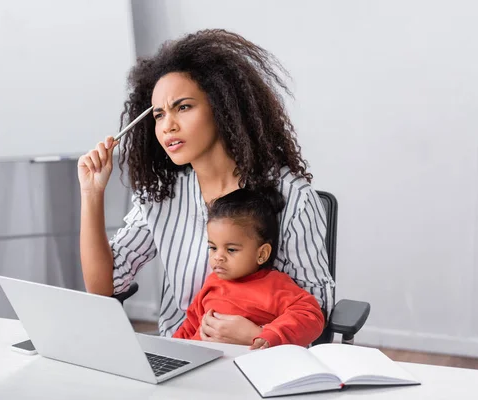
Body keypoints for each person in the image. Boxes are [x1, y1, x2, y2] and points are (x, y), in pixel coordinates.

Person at [78, 29, 334, 345]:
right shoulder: (161, 194)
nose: (168, 125)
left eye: (183, 107)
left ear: (223, 107)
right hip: (182, 353)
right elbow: (103, 286)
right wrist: (92, 194)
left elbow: (318, 307)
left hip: (261, 359)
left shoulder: (292, 197)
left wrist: (257, 337)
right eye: (159, 114)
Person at [172, 188, 325, 349]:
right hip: (201, 363)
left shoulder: (275, 285)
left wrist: (268, 335)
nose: (218, 257)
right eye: (213, 248)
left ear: (262, 253)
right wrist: (170, 350)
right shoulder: (212, 283)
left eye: (231, 249)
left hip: (246, 365)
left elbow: (310, 316)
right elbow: (190, 326)